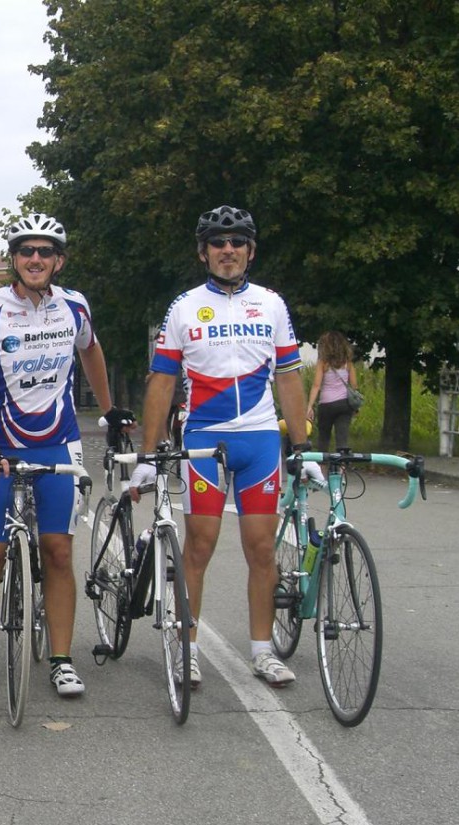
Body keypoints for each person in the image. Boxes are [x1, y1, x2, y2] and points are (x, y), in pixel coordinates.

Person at [0, 214, 127, 699]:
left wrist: (109, 409)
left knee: (59, 551)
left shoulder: (75, 306)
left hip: (57, 443)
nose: (35, 258)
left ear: (58, 261)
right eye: (26, 250)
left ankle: (62, 660)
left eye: (45, 251)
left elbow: (92, 351)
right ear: (14, 259)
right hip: (1, 446)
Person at [130, 205, 309, 688]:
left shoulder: (271, 304)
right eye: (217, 242)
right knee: (200, 547)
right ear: (203, 252)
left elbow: (289, 377)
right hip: (205, 440)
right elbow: (162, 380)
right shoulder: (184, 307)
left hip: (259, 438)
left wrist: (302, 447)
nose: (227, 250)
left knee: (262, 550)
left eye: (236, 242)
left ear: (250, 251)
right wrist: (148, 453)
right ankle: (186, 650)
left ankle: (263, 651)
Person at [306, 330, 359, 451]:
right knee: (342, 439)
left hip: (326, 404)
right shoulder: (348, 363)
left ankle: (323, 461)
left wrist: (310, 406)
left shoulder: (323, 363)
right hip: (344, 403)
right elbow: (354, 385)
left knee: (323, 439)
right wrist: (355, 407)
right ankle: (342, 461)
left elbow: (316, 385)